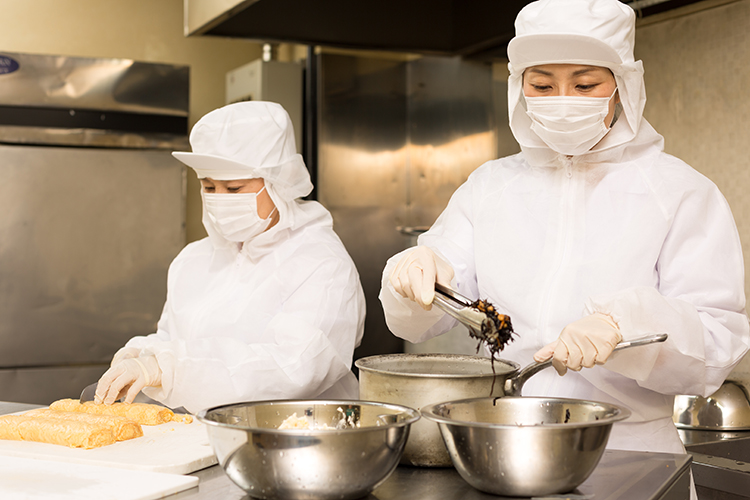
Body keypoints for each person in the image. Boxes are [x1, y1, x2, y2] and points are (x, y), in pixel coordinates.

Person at [380, 0, 749, 482]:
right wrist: (413, 274)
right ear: (521, 89)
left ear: (621, 87)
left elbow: (718, 340)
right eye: (543, 85)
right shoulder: (491, 187)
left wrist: (627, 327)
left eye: (585, 84)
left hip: (629, 455)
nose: (562, 98)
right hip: (502, 443)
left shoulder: (679, 192)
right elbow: (417, 318)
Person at [95, 101, 365, 413]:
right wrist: (142, 353)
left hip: (293, 440)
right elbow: (172, 336)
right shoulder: (194, 259)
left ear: (278, 183)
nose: (219, 200)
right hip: (200, 439)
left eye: (234, 188)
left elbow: (294, 369)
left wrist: (167, 368)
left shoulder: (322, 264)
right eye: (208, 186)